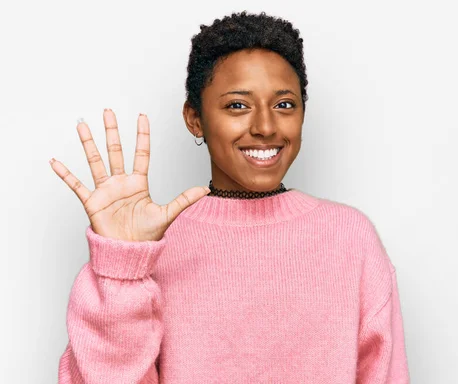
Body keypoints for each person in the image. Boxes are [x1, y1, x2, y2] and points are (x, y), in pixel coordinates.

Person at [51, 10, 410, 383]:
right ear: (195, 118)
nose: (265, 127)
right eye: (237, 105)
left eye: (284, 104)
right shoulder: (148, 245)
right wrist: (120, 268)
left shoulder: (350, 238)